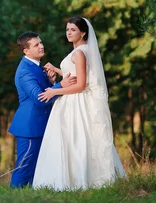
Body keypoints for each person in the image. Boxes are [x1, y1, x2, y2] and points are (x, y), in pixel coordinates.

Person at [32, 16, 126, 191]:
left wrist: (55, 91)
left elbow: (81, 85)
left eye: (73, 29)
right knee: (75, 139)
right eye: (67, 29)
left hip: (75, 101)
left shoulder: (80, 53)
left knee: (76, 139)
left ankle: (77, 180)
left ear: (83, 32)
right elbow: (74, 74)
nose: (69, 32)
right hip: (71, 98)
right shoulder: (81, 51)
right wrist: (57, 70)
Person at [8, 31, 77, 188]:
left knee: (36, 168)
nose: (41, 46)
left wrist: (51, 82)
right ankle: (13, 196)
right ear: (26, 51)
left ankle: (29, 197)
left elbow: (44, 92)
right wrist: (61, 85)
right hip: (30, 127)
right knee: (24, 167)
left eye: (41, 42)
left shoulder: (34, 66)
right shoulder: (25, 70)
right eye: (36, 44)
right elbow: (39, 99)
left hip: (39, 124)